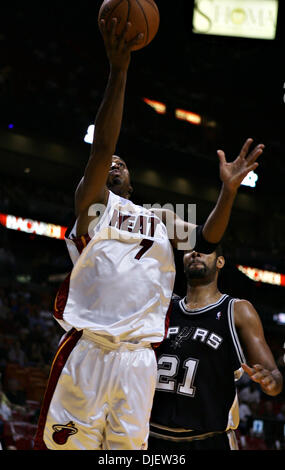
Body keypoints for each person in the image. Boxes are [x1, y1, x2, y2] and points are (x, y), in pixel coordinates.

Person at [34, 18, 264, 451]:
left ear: (133, 178)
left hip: (141, 359)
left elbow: (208, 238)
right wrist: (119, 70)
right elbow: (102, 147)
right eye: (109, 163)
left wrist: (228, 192)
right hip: (91, 348)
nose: (114, 163)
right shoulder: (92, 207)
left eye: (122, 162)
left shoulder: (160, 217)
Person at [148, 248, 283, 450]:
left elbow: (274, 377)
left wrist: (271, 381)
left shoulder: (237, 310)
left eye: (204, 250)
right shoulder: (164, 306)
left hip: (208, 439)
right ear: (182, 261)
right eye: (190, 251)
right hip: (151, 435)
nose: (195, 254)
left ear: (220, 262)